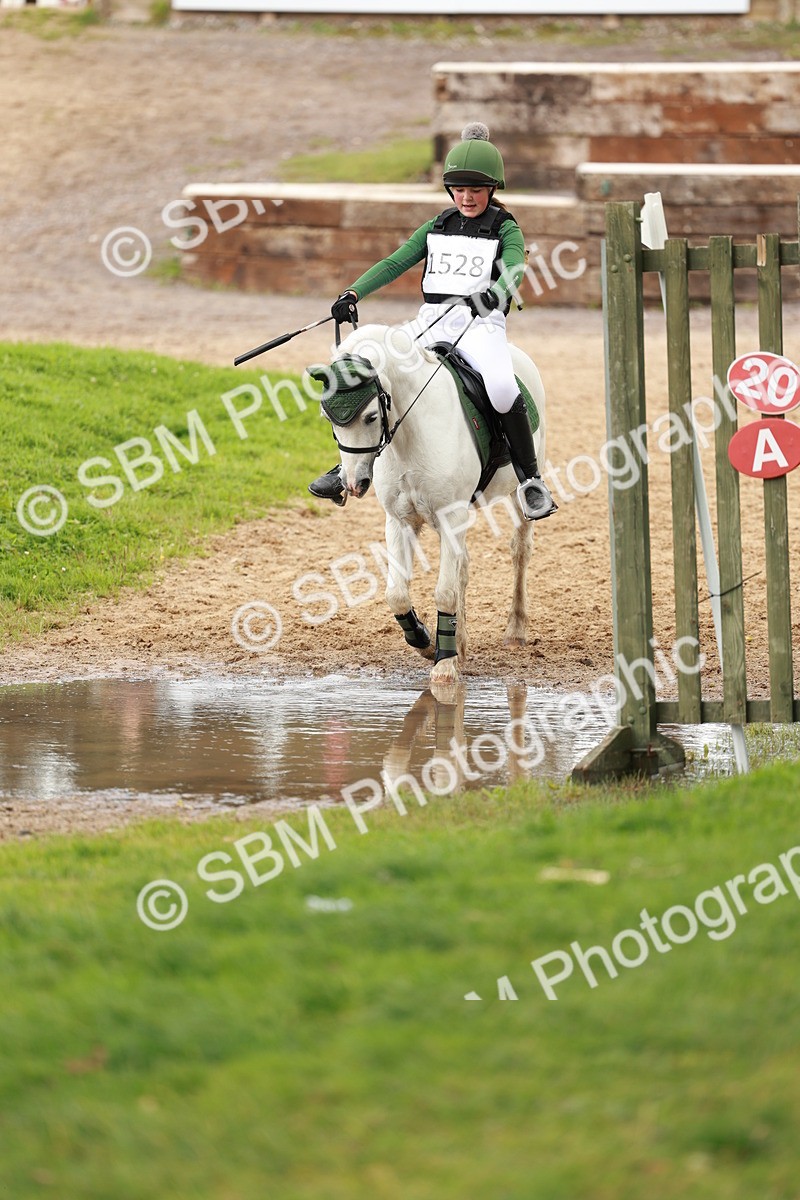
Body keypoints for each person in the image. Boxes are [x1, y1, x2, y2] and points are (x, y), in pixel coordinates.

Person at [308, 122, 557, 522]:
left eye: (475, 189)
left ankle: (531, 480)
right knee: (371, 368)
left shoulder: (504, 228)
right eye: (459, 189)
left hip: (480, 325)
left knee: (499, 384)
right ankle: (346, 467)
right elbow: (395, 262)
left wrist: (498, 291)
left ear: (492, 189)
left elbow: (515, 267)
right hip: (430, 324)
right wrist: (353, 292)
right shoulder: (438, 226)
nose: (467, 197)